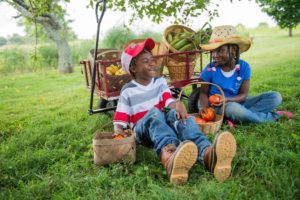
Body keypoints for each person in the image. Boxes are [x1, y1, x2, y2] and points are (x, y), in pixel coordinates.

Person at [113, 38, 237, 184]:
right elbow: (119, 119)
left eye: (152, 59)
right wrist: (118, 133)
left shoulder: (160, 81)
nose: (152, 63)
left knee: (177, 115)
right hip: (143, 131)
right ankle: (169, 156)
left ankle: (207, 154)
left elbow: (169, 101)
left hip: (161, 123)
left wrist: (177, 105)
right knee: (155, 113)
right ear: (133, 68)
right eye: (146, 61)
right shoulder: (128, 90)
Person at [198, 25, 294, 127]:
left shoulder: (244, 67)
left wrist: (227, 99)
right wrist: (203, 107)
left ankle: (238, 117)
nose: (215, 55)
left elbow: (243, 95)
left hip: (237, 103)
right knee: (233, 109)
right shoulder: (209, 69)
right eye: (213, 51)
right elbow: (203, 93)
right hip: (218, 107)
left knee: (275, 97)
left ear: (233, 50)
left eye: (220, 50)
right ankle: (273, 116)